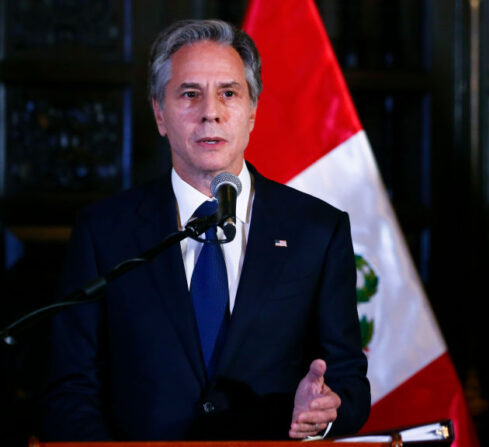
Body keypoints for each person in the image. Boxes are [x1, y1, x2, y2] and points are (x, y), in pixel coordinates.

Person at [41, 19, 370, 441]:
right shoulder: (103, 231)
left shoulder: (317, 231)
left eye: (228, 93)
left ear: (253, 111)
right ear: (159, 113)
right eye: (190, 94)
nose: (210, 112)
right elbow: (70, 387)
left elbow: (348, 384)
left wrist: (322, 414)